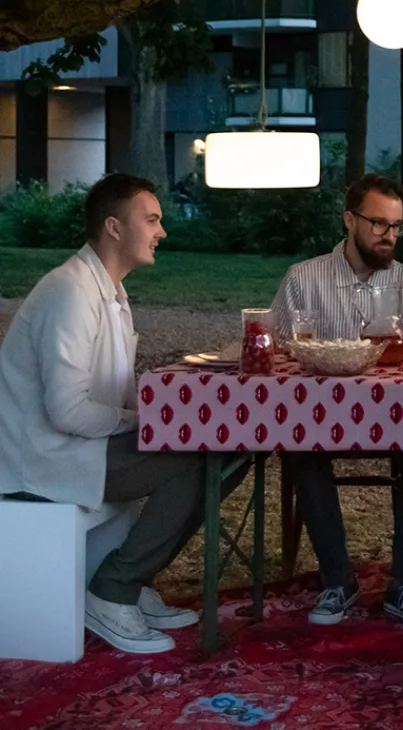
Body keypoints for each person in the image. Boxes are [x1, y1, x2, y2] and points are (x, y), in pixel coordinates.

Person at [0, 174, 246, 654]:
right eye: (151, 219)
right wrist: (147, 424)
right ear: (114, 227)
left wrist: (160, 416)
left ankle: (130, 580)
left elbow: (117, 394)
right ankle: (112, 590)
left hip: (81, 446)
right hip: (46, 457)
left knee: (228, 448)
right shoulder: (70, 292)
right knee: (198, 455)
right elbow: (67, 411)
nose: (162, 232)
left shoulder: (110, 291)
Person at [270, 173, 403, 628]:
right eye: (377, 223)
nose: (388, 235)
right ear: (349, 219)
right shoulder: (303, 280)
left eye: (396, 226)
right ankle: (337, 581)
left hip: (400, 419)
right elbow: (278, 355)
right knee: (300, 445)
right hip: (319, 419)